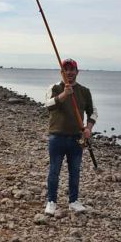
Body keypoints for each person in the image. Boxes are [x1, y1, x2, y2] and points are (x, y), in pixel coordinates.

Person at [44, 58, 98, 215]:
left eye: (72, 70)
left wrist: (88, 128)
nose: (69, 73)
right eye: (65, 70)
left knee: (75, 170)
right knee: (54, 170)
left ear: (77, 72)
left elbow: (92, 111)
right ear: (62, 72)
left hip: (77, 138)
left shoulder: (84, 91)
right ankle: (51, 202)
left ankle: (73, 201)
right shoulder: (54, 88)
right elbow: (48, 105)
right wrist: (63, 95)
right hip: (57, 137)